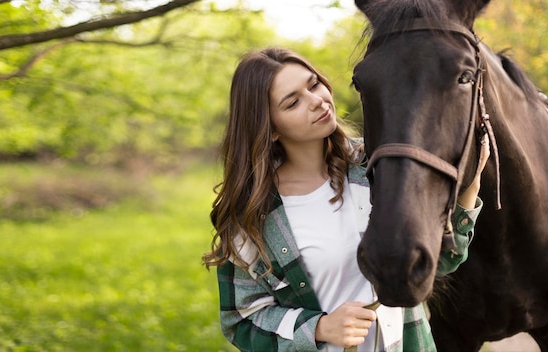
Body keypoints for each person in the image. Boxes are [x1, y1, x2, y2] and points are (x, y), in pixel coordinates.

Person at [202, 47, 489, 352]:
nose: (316, 101)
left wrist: (469, 190)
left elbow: (439, 262)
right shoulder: (253, 215)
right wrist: (319, 328)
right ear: (270, 128)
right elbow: (241, 320)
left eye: (314, 85)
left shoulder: (380, 167)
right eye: (293, 102)